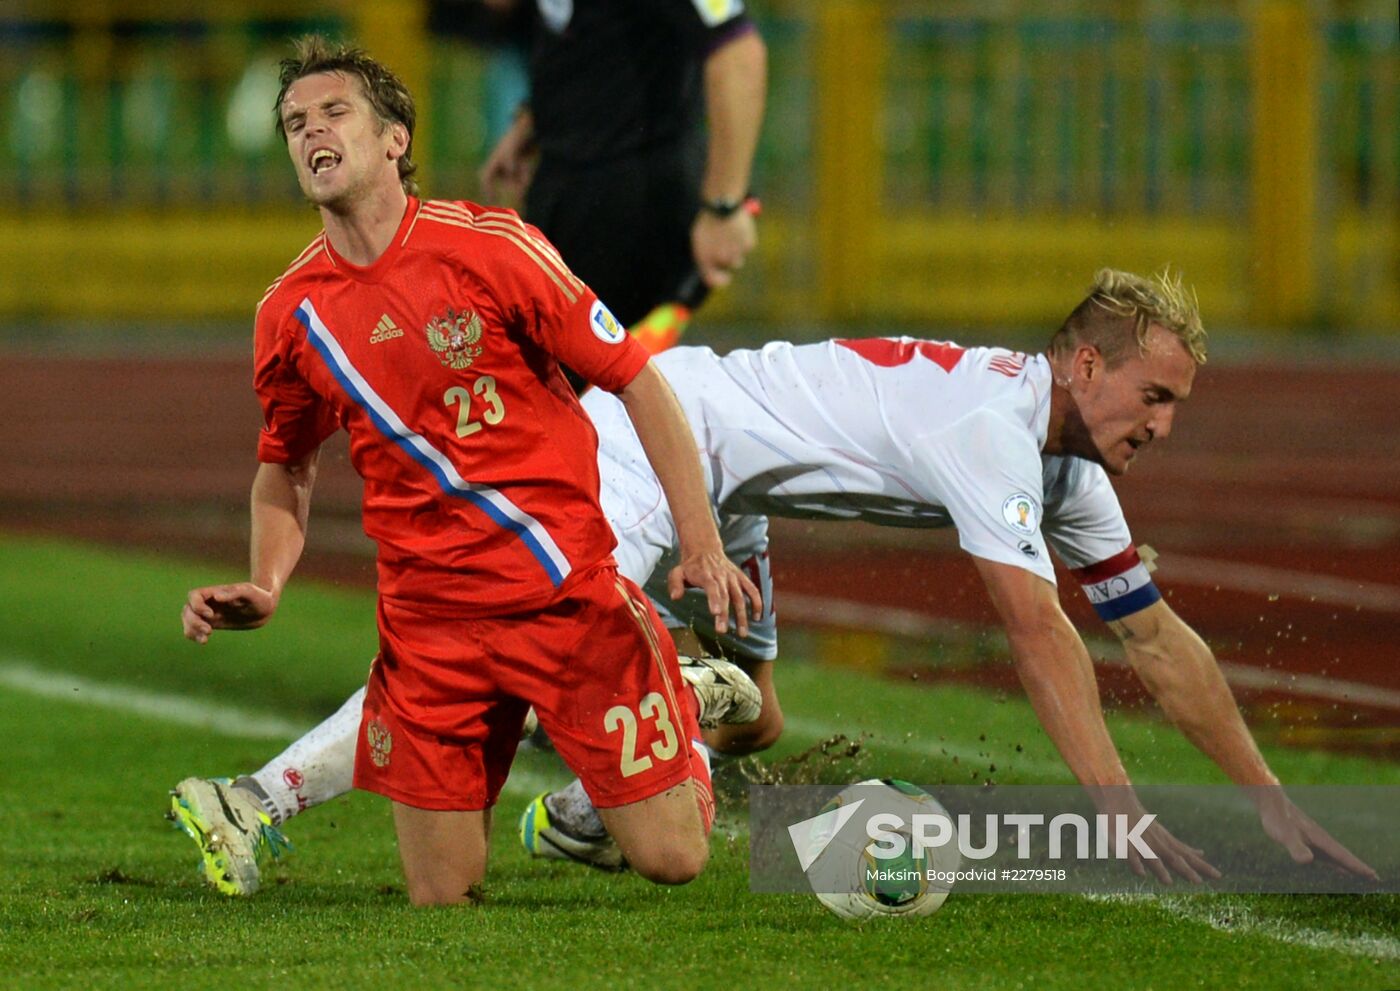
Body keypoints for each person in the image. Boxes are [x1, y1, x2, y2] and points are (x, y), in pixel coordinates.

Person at [172, 268, 1378, 892]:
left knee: (752, 711)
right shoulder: (991, 434)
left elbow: (1154, 641)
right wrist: (1114, 808)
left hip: (739, 482)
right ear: (1081, 362)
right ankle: (254, 798)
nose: (1162, 425)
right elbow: (1039, 635)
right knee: (501, 654)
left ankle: (591, 813)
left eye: (1174, 404)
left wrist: (1267, 799)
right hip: (666, 443)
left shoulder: (1066, 468)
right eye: (1151, 396)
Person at [171, 35, 762, 907]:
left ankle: (671, 686)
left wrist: (702, 544)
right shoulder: (290, 313)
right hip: (429, 630)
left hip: (560, 598)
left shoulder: (492, 250)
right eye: (296, 123)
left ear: (393, 140)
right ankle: (655, 696)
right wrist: (266, 579)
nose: (311, 133)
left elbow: (637, 378)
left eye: (334, 113)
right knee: (442, 898)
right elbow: (286, 466)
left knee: (673, 858)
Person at [455, 0, 766, 335]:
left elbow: (738, 54)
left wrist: (724, 207)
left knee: (580, 374)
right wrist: (534, 120)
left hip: (635, 209)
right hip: (569, 189)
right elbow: (593, 34)